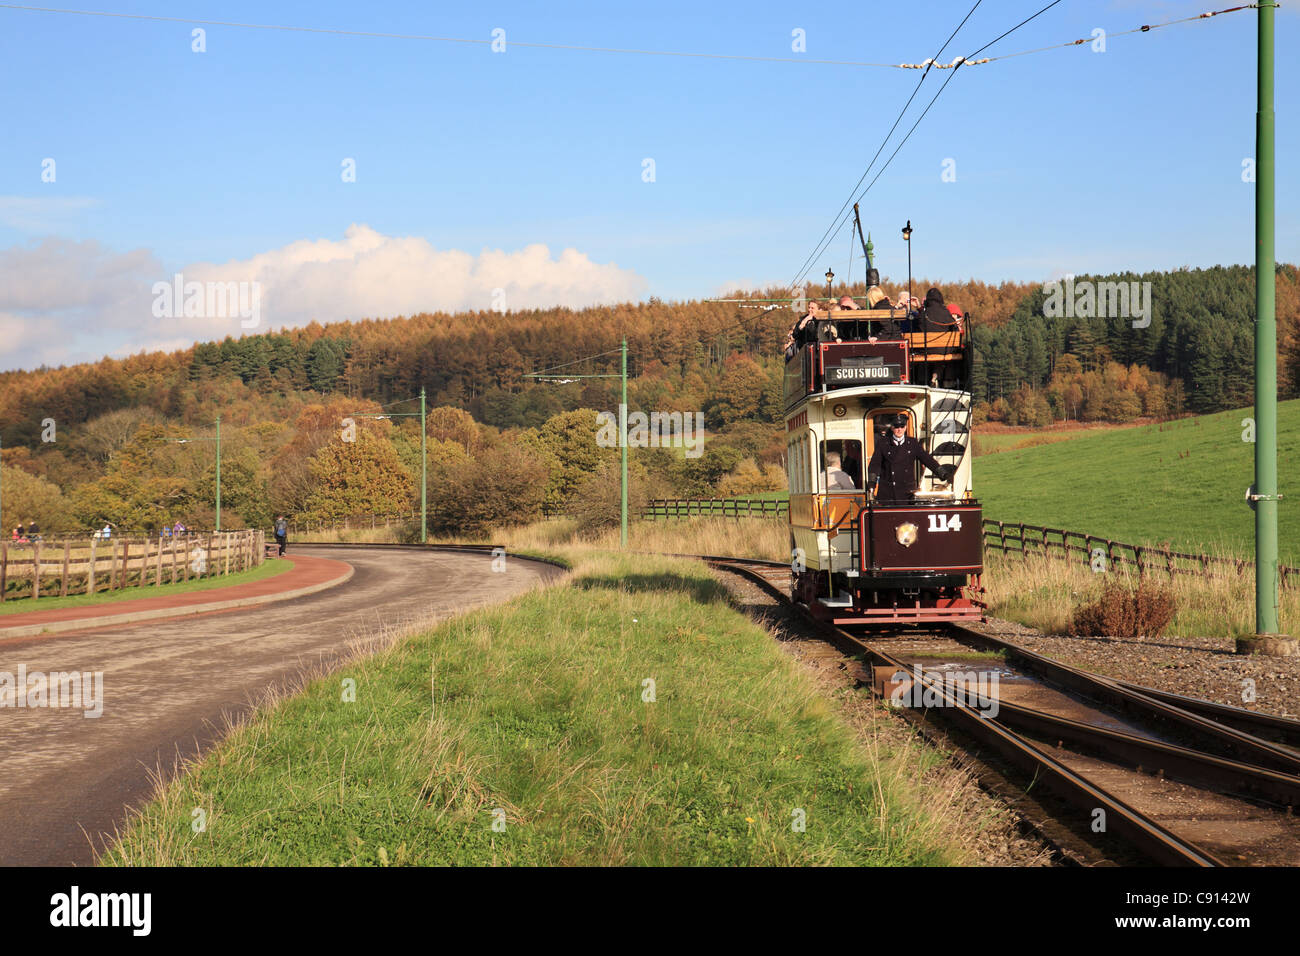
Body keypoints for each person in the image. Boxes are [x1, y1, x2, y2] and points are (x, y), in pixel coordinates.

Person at [867, 414, 953, 503]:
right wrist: (871, 484)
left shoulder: (913, 443)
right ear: (892, 428)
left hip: (906, 493)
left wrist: (944, 474)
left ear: (905, 427)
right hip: (888, 493)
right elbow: (874, 465)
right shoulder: (883, 443)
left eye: (902, 426)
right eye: (896, 427)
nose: (899, 429)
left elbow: (928, 460)